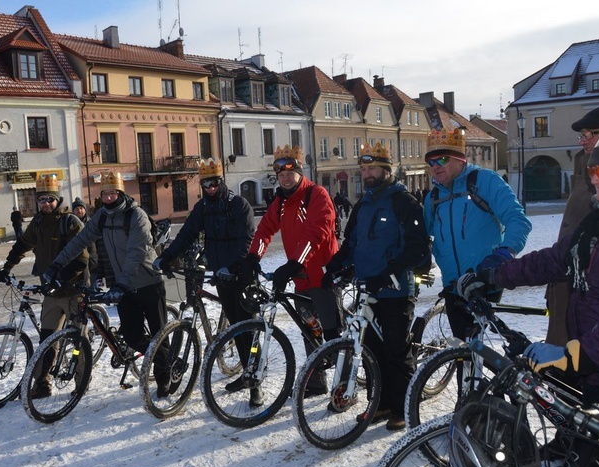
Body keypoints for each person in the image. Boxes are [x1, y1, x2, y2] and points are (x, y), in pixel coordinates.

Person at [457, 108, 599, 467]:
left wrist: (573, 356)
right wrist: (492, 276)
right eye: (593, 170)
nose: (596, 178)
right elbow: (553, 260)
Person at [324, 142, 430, 431]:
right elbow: (351, 244)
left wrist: (388, 273)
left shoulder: (403, 201)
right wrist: (334, 266)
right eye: (364, 169)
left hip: (395, 289)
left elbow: (417, 247)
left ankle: (404, 409)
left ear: (386, 170)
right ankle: (380, 403)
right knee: (371, 349)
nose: (367, 173)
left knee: (397, 351)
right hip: (368, 288)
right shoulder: (363, 204)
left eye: (372, 168)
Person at [45, 171, 170, 395]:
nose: (109, 198)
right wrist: (57, 264)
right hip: (124, 286)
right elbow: (79, 242)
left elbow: (136, 253)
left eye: (113, 193)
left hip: (148, 282)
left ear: (121, 193)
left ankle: (165, 375)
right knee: (131, 336)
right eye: (105, 194)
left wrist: (121, 284)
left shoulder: (136, 216)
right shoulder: (102, 216)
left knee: (158, 331)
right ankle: (162, 356)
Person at [237, 144, 342, 401]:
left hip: (322, 274)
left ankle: (343, 385)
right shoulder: (281, 201)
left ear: (299, 172)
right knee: (310, 329)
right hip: (300, 277)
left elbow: (317, 233)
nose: (285, 178)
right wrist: (253, 256)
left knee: (332, 333)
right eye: (280, 174)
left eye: (289, 172)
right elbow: (264, 231)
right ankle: (317, 383)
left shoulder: (316, 195)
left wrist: (295, 263)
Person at [153, 159, 256, 396]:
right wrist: (167, 257)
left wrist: (233, 267)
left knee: (246, 328)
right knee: (236, 329)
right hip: (220, 275)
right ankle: (246, 373)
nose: (210, 188)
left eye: (214, 183)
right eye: (206, 184)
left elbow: (246, 241)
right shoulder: (203, 208)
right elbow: (187, 235)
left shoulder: (239, 205)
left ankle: (254, 383)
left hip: (240, 275)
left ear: (221, 182)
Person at [423, 127, 531, 341]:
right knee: (463, 352)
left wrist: (503, 254)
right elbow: (424, 234)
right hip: (453, 285)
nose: (436, 166)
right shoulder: (433, 197)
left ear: (460, 159)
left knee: (477, 347)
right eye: (431, 162)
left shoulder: (484, 181)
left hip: (484, 280)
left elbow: (518, 220)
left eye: (442, 159)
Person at [0, 176, 88, 397]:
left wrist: (61, 278)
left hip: (74, 290)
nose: (46, 203)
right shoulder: (37, 223)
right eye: (41, 200)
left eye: (49, 199)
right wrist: (6, 268)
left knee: (77, 339)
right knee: (47, 339)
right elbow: (22, 246)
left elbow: (82, 258)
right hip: (52, 292)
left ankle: (81, 380)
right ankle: (42, 384)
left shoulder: (70, 222)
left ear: (57, 200)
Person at [545, 104, 599, 346]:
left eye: (587, 135)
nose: (582, 141)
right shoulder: (585, 166)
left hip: (593, 292)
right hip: (566, 279)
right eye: (581, 135)